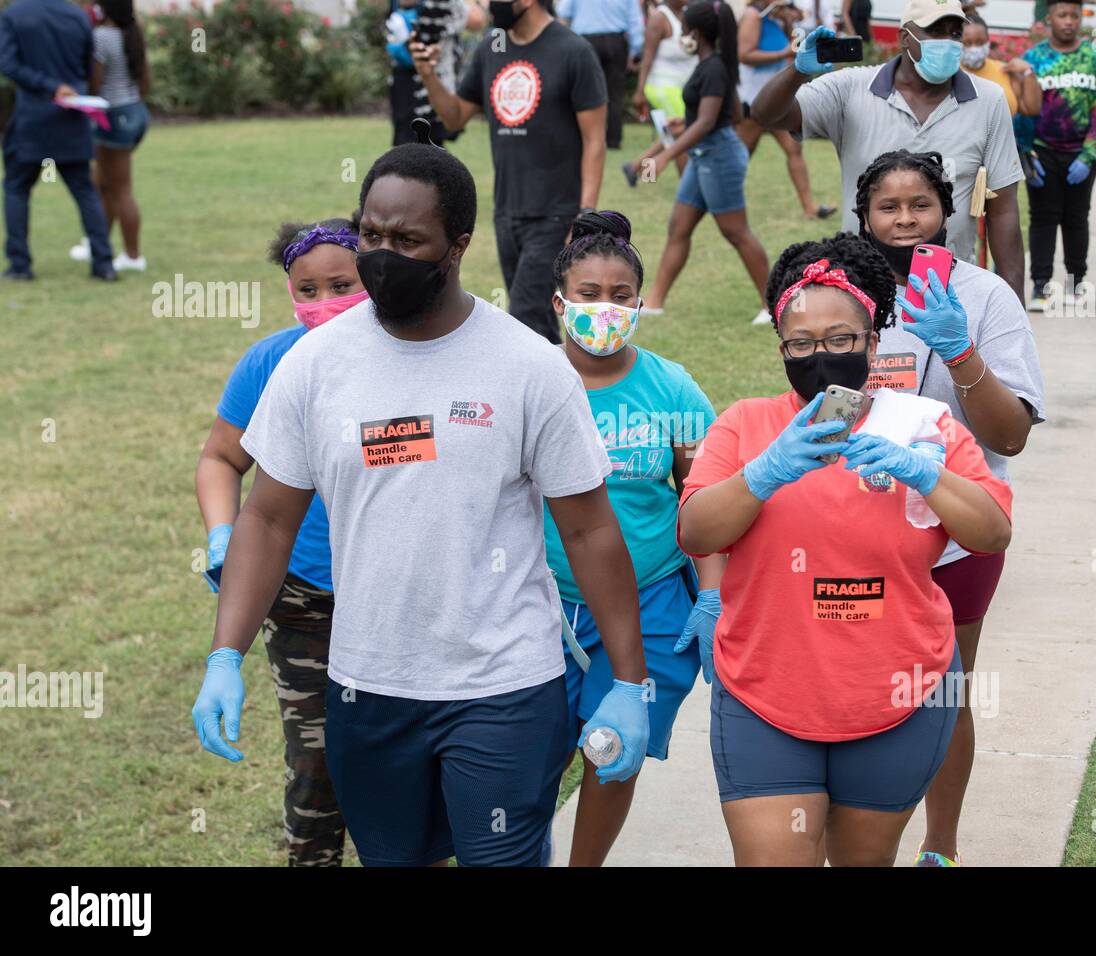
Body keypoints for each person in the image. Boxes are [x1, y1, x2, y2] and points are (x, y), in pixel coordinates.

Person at [191, 143, 651, 868]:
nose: (383, 255)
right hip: (366, 689)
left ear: (459, 245)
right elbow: (269, 518)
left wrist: (628, 682)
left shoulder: (529, 366)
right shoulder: (314, 365)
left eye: (408, 241)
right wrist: (225, 653)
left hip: (504, 687)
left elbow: (591, 530)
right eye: (372, 234)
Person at [677, 232, 1014, 867]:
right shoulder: (746, 424)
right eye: (801, 345)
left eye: (840, 340)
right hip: (766, 697)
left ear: (873, 343)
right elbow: (696, 531)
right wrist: (764, 472)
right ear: (782, 349)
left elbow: (990, 532)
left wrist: (923, 474)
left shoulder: (921, 427)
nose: (821, 356)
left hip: (898, 694)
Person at [853, 149, 1045, 866]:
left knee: (941, 692)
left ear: (949, 210)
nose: (905, 220)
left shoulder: (988, 295)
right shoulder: (841, 289)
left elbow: (1010, 437)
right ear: (863, 215)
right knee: (861, 689)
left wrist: (961, 352)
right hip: (854, 533)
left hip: (957, 540)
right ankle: (857, 839)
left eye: (921, 205)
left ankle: (941, 845)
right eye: (888, 207)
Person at [542, 209, 725, 866]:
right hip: (543, 607)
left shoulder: (669, 386)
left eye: (621, 297)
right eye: (588, 296)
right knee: (531, 758)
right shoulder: (530, 381)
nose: (605, 308)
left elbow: (703, 498)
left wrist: (712, 595)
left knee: (612, 752)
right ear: (559, 302)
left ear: (640, 302)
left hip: (650, 605)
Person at [195, 217, 369, 866]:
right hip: (301, 603)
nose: (325, 304)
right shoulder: (270, 362)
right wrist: (220, 535)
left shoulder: (407, 354)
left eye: (342, 285)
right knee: (317, 769)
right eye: (308, 289)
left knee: (401, 771)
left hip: (395, 596)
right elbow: (220, 459)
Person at [750, 0, 1027, 305]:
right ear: (905, 37)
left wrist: (1012, 305)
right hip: (862, 285)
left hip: (949, 286)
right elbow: (765, 115)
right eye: (935, 32)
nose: (947, 42)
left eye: (954, 33)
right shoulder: (851, 89)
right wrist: (798, 71)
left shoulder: (987, 100)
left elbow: (1004, 208)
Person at [412, 0, 607, 343]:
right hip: (507, 212)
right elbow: (455, 117)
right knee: (538, 326)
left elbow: (595, 140)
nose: (489, 5)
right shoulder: (493, 48)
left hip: (556, 213)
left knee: (525, 316)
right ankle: (559, 392)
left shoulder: (574, 51)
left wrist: (584, 214)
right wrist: (428, 74)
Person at [640, 1, 771, 324]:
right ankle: (654, 302)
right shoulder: (711, 65)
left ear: (694, 34)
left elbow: (708, 123)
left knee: (735, 231)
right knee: (679, 227)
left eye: (683, 27)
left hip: (719, 156)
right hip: (704, 154)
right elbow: (732, 114)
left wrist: (665, 155)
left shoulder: (712, 68)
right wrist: (681, 125)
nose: (680, 32)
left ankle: (773, 304)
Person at [0, 0, 115, 280]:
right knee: (84, 190)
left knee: (16, 188)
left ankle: (20, 264)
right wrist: (69, 89)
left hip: (32, 119)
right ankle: (103, 264)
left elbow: (8, 64)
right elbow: (88, 64)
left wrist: (49, 87)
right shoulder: (76, 16)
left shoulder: (14, 15)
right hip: (71, 116)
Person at [1015, 0, 1096, 312]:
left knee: (1076, 218)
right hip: (1042, 152)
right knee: (1042, 218)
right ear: (1049, 18)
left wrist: (1090, 153)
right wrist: (1025, 152)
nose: (1069, 22)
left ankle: (1075, 283)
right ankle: (1041, 286)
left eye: (1074, 15)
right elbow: (1022, 109)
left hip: (1081, 154)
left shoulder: (1095, 57)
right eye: (1062, 15)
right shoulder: (1034, 59)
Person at [737, 0, 837, 220]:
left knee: (794, 150)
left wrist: (790, 21)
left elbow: (795, 50)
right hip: (754, 102)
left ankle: (809, 208)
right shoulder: (753, 16)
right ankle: (721, 200)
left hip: (776, 102)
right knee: (740, 156)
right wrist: (781, 55)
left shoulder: (775, 18)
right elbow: (744, 55)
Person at [67, 0, 148, 272]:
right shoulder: (133, 33)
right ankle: (96, 243)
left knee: (120, 189)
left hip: (112, 116)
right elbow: (144, 82)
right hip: (135, 111)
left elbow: (95, 81)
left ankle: (133, 257)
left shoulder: (101, 36)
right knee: (103, 183)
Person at [385, 0, 484, 148]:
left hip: (426, 80)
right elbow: (478, 20)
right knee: (414, 148)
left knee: (425, 146)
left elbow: (477, 21)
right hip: (417, 82)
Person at [557, 0, 644, 150]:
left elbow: (563, 14)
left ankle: (583, 136)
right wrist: (635, 51)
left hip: (585, 40)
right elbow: (636, 21)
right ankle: (613, 140)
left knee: (582, 92)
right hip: (615, 41)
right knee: (615, 94)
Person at [626, 0, 695, 182]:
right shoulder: (659, 18)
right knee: (682, 132)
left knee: (670, 135)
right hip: (662, 87)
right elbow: (647, 57)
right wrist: (639, 91)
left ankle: (636, 168)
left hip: (682, 87)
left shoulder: (689, 14)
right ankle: (686, 182)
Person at [960, 14, 1040, 119]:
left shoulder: (1004, 70)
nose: (974, 48)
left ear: (988, 41)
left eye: (980, 42)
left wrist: (1028, 71)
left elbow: (1030, 109)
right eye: (967, 43)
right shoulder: (950, 73)